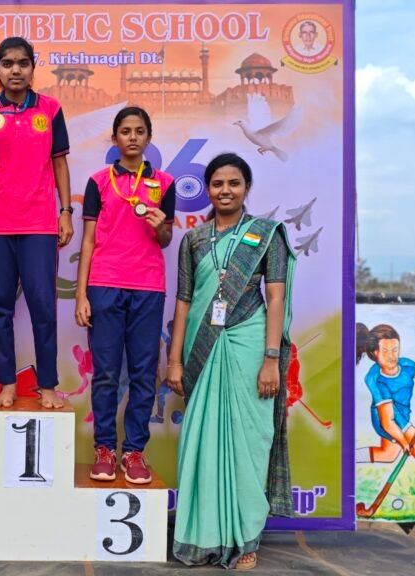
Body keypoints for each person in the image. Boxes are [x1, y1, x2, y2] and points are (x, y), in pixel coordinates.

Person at [167, 153, 295, 570]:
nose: (225, 190)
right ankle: (203, 538)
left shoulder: (267, 234)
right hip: (201, 352)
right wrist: (174, 361)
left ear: (246, 188)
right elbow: (183, 303)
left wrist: (271, 359)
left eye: (234, 183)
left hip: (250, 346)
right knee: (201, 442)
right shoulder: (195, 240)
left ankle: (246, 539)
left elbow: (275, 297)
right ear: (208, 188)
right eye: (218, 183)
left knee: (248, 444)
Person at [74, 107, 175, 484]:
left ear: (149, 137)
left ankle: (134, 451)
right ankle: (104, 448)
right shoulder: (98, 182)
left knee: (144, 374)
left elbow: (163, 241)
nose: (132, 137)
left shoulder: (165, 183)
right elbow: (87, 240)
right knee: (105, 374)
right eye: (125, 131)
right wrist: (82, 294)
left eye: (139, 131)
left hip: (148, 286)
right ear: (114, 138)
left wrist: (161, 226)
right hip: (104, 285)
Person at [0, 36, 72, 409]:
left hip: (40, 224)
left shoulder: (51, 109)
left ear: (33, 67)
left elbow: (59, 161)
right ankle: (7, 384)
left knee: (43, 306)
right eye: (8, 63)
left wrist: (66, 211)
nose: (16, 70)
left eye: (23, 63)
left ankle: (47, 385)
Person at [355, 323, 415, 485]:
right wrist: (404, 442)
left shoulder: (404, 365)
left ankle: (347, 458)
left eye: (395, 350)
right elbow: (388, 421)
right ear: (375, 352)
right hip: (384, 416)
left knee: (388, 455)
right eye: (386, 351)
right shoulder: (375, 379)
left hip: (401, 411)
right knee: (413, 437)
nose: (392, 356)